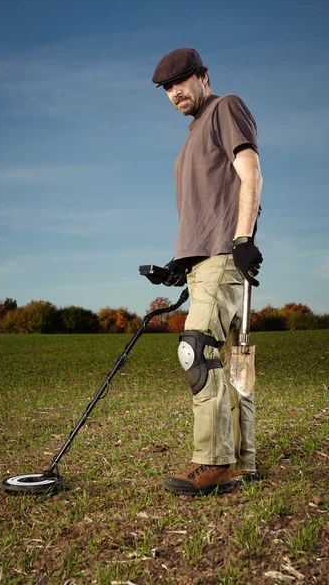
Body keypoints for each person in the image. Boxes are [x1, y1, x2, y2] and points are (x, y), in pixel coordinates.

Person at [151, 48, 263, 496]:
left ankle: (213, 463)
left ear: (203, 76)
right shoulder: (193, 134)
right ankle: (243, 461)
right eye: (167, 88)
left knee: (195, 351)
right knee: (235, 363)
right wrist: (181, 263)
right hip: (203, 260)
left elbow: (250, 170)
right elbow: (203, 205)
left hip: (224, 253)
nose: (175, 92)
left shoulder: (225, 107)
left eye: (181, 81)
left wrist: (242, 238)